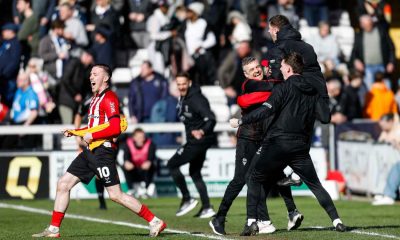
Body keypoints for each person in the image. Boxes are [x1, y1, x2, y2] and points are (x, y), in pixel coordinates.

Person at [32, 64, 166, 238]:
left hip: (102, 152)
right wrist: (76, 132)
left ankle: (155, 221)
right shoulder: (95, 98)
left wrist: (92, 134)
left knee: (116, 195)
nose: (91, 77)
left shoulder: (110, 98)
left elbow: (115, 127)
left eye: (95, 74)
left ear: (106, 78)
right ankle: (53, 229)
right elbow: (94, 127)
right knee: (63, 184)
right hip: (90, 151)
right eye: (90, 74)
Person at [230, 52, 346, 235]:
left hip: (278, 143)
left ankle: (252, 222)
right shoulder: (313, 89)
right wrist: (322, 95)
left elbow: (265, 111)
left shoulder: (283, 88)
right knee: (316, 185)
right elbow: (325, 117)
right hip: (300, 147)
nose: (280, 69)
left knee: (252, 176)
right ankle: (337, 221)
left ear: (289, 69)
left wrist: (241, 121)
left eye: (282, 66)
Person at [209, 57, 303, 236]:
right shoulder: (249, 85)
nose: (256, 71)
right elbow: (271, 89)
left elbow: (272, 92)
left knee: (275, 174)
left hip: (263, 139)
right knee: (241, 179)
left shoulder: (266, 83)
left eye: (258, 67)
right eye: (252, 69)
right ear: (246, 74)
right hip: (247, 139)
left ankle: (287, 213)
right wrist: (283, 85)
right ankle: (219, 218)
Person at [167, 72, 216, 218]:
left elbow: (211, 119)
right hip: (195, 141)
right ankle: (207, 207)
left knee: (171, 164)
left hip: (198, 141)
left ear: (189, 83)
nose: (181, 86)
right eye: (179, 84)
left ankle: (187, 198)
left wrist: (201, 130)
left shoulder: (197, 99)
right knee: (195, 173)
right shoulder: (183, 98)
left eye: (184, 83)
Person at [123, 128, 157, 198]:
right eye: (138, 137)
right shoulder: (128, 144)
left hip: (144, 170)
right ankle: (131, 190)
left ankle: (146, 189)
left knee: (151, 166)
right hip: (133, 169)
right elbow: (126, 158)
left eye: (142, 137)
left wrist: (148, 162)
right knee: (125, 166)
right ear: (134, 138)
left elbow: (151, 159)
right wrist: (127, 162)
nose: (141, 139)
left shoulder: (150, 144)